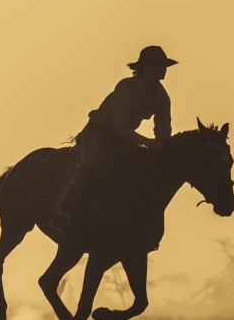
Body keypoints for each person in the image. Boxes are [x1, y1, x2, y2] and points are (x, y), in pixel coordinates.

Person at [49, 46, 176, 235]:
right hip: (99, 132)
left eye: (164, 65)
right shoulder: (126, 86)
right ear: (146, 67)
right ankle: (62, 212)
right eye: (159, 65)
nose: (163, 69)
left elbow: (164, 131)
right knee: (87, 164)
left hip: (124, 137)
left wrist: (163, 147)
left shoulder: (162, 97)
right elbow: (120, 127)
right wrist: (149, 143)